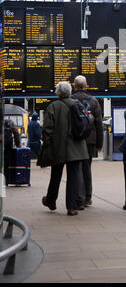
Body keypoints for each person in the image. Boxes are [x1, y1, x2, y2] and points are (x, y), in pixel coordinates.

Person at [42, 81, 89, 216]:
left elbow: (47, 129)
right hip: (77, 148)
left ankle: (51, 201)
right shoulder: (77, 104)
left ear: (58, 93)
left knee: (55, 176)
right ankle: (72, 207)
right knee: (74, 177)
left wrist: (47, 145)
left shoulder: (53, 106)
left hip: (59, 148)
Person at [72, 75, 104, 207]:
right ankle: (87, 197)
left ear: (74, 86)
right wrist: (99, 143)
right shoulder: (94, 101)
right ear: (86, 86)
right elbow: (99, 124)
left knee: (75, 169)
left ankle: (76, 197)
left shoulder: (70, 100)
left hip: (74, 140)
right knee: (86, 168)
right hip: (90, 140)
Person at [4, 119, 20, 185]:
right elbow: (16, 133)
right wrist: (17, 144)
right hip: (8, 144)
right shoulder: (10, 122)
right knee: (7, 163)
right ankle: (6, 180)